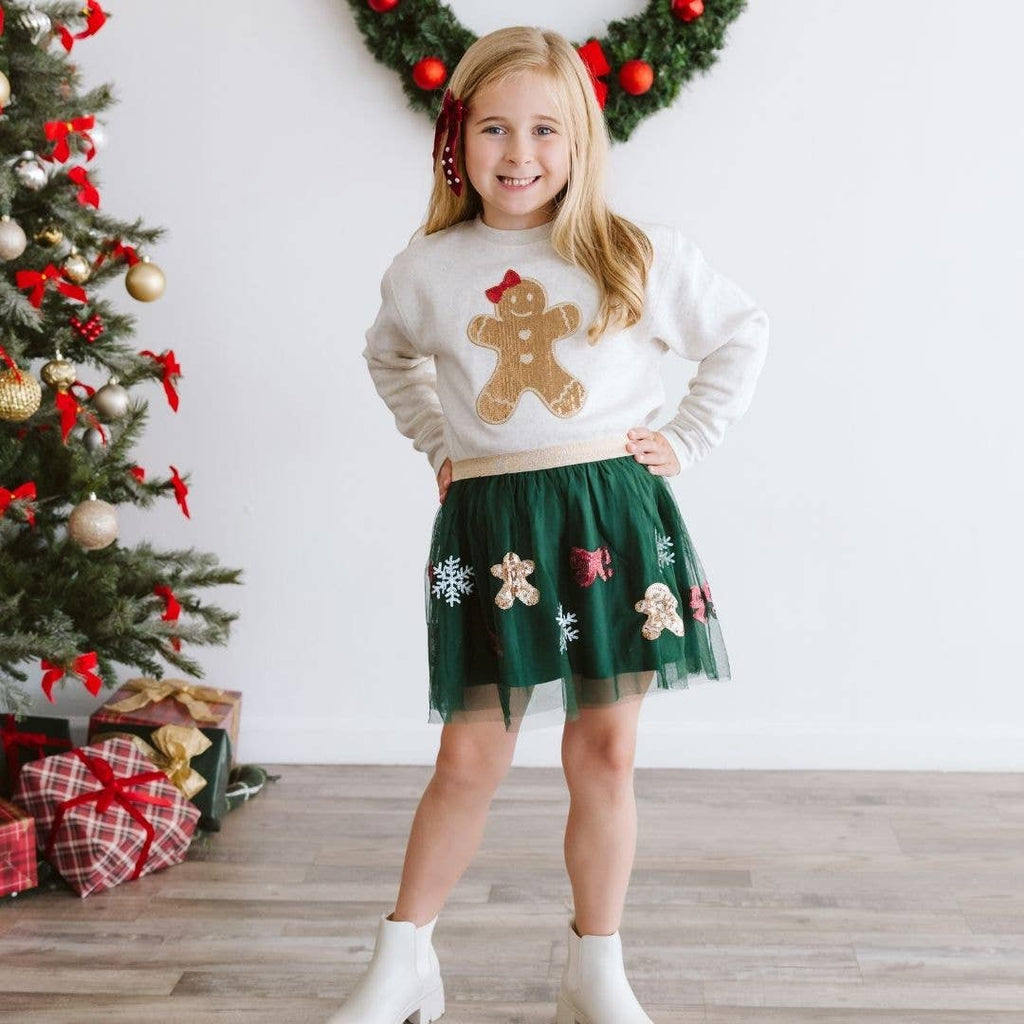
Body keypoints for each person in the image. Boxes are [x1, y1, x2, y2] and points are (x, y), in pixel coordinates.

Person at [330, 24, 769, 1024]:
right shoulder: (430, 267)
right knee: (469, 755)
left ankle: (595, 966)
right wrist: (438, 443)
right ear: (457, 137)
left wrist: (687, 437)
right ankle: (404, 960)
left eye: (541, 130)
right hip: (491, 522)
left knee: (605, 750)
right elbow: (386, 357)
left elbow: (741, 329)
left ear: (578, 142)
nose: (517, 154)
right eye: (493, 127)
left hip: (608, 514)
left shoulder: (631, 253)